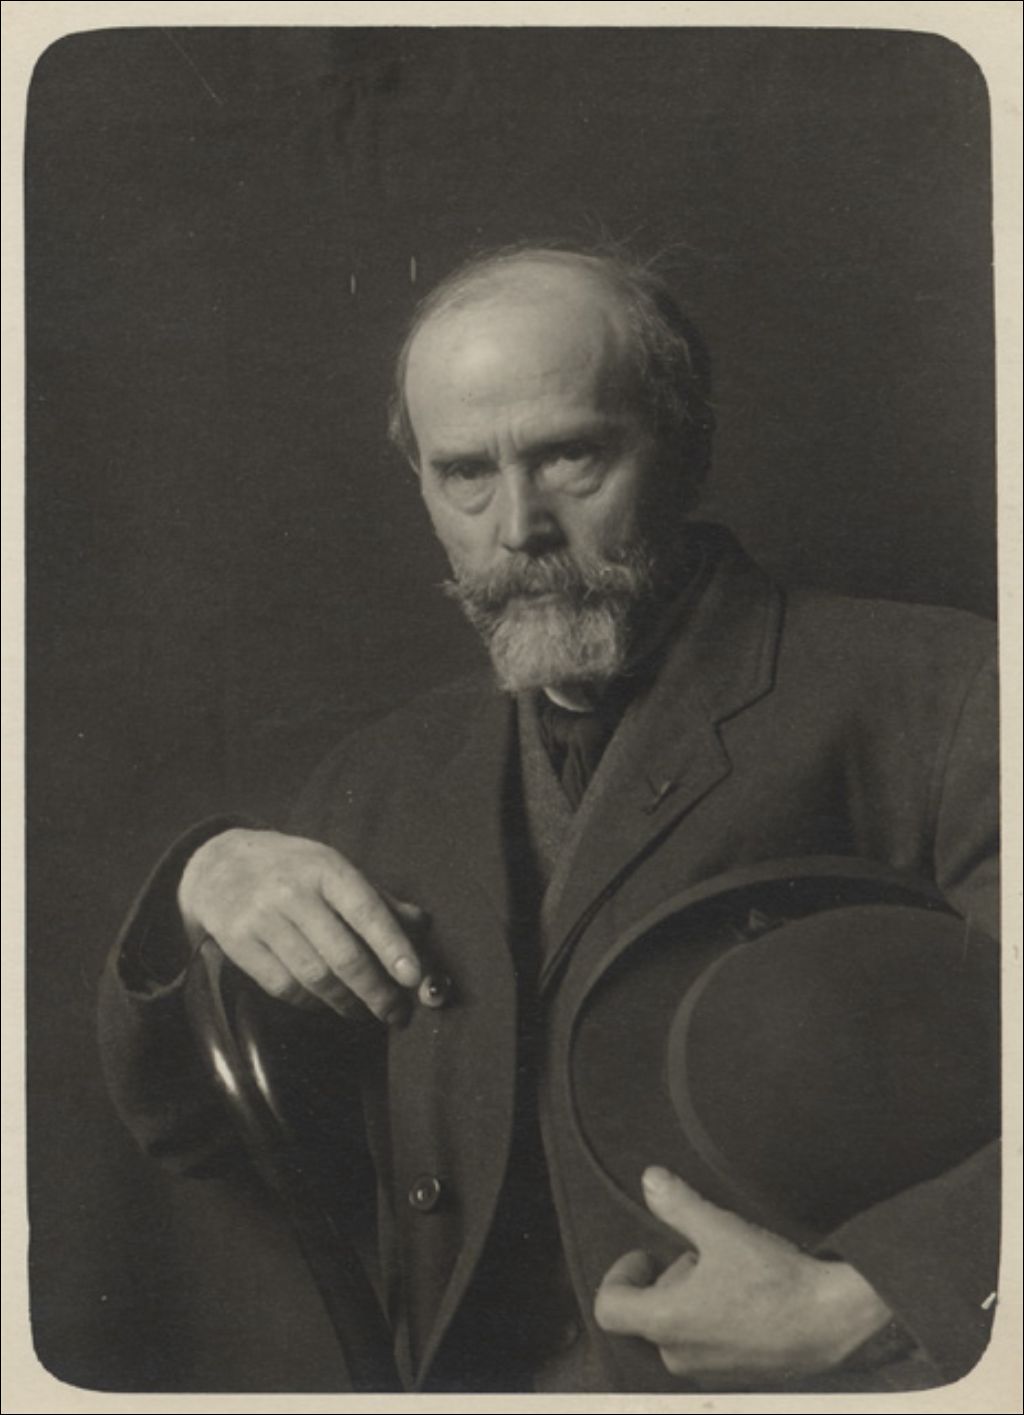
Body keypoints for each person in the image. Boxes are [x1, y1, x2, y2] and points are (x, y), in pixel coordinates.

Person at [99, 244, 1000, 1394]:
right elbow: (210, 1137)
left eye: (569, 455)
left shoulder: (947, 691)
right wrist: (199, 891)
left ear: (684, 443)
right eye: (464, 473)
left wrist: (877, 1300)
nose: (517, 524)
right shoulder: (379, 777)